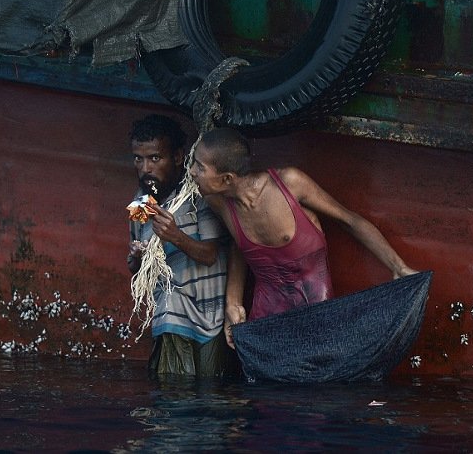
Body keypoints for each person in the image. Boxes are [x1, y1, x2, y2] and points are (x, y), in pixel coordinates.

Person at [188, 127, 418, 348]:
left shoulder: (290, 184)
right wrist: (233, 303)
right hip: (266, 324)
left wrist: (398, 267)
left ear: (227, 178)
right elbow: (240, 248)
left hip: (316, 316)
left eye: (200, 167)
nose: (192, 172)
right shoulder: (217, 202)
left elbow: (349, 220)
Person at [127, 114, 235, 378]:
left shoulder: (199, 195)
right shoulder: (140, 202)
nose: (145, 168)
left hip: (210, 317)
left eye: (155, 158)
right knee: (172, 393)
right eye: (138, 159)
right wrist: (137, 257)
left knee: (212, 395)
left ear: (177, 157)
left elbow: (211, 254)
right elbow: (135, 268)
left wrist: (176, 236)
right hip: (170, 316)